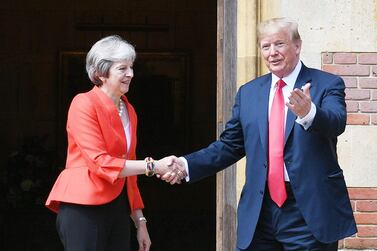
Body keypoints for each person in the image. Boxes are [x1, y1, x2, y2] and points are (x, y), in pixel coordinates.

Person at [162, 18, 357, 250]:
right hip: (260, 212)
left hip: (308, 212)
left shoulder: (327, 83)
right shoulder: (249, 92)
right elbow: (230, 145)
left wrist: (309, 112)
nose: (272, 52)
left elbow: (336, 123)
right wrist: (186, 164)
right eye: (266, 46)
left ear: (297, 46)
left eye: (279, 44)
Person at [45, 35, 178, 251]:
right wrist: (153, 166)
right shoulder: (83, 103)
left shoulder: (129, 109)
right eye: (122, 68)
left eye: (131, 67)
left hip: (117, 207)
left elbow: (129, 169)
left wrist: (140, 221)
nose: (131, 74)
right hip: (83, 206)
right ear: (100, 72)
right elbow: (101, 163)